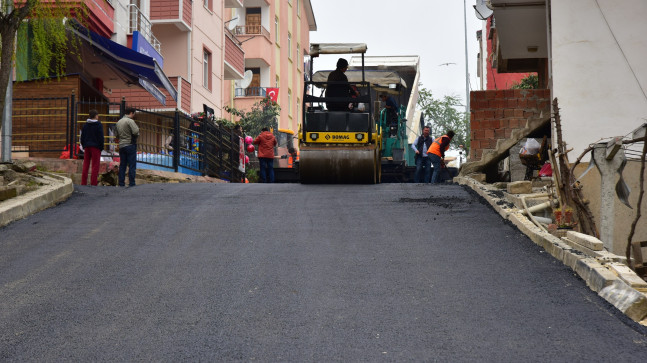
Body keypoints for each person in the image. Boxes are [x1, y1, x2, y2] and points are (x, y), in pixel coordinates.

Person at [116, 107, 139, 187]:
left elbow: (116, 135)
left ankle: (121, 183)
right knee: (132, 165)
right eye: (134, 114)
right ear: (131, 113)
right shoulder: (130, 121)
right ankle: (131, 183)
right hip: (130, 144)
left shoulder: (119, 122)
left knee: (123, 165)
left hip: (122, 145)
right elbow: (136, 131)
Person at [80, 109, 104, 186]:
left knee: (86, 164)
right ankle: (93, 183)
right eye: (97, 115)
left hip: (87, 146)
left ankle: (83, 182)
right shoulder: (99, 125)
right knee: (95, 165)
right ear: (95, 116)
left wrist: (84, 145)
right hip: (96, 147)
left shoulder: (85, 125)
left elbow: (82, 136)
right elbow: (101, 137)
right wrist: (101, 147)